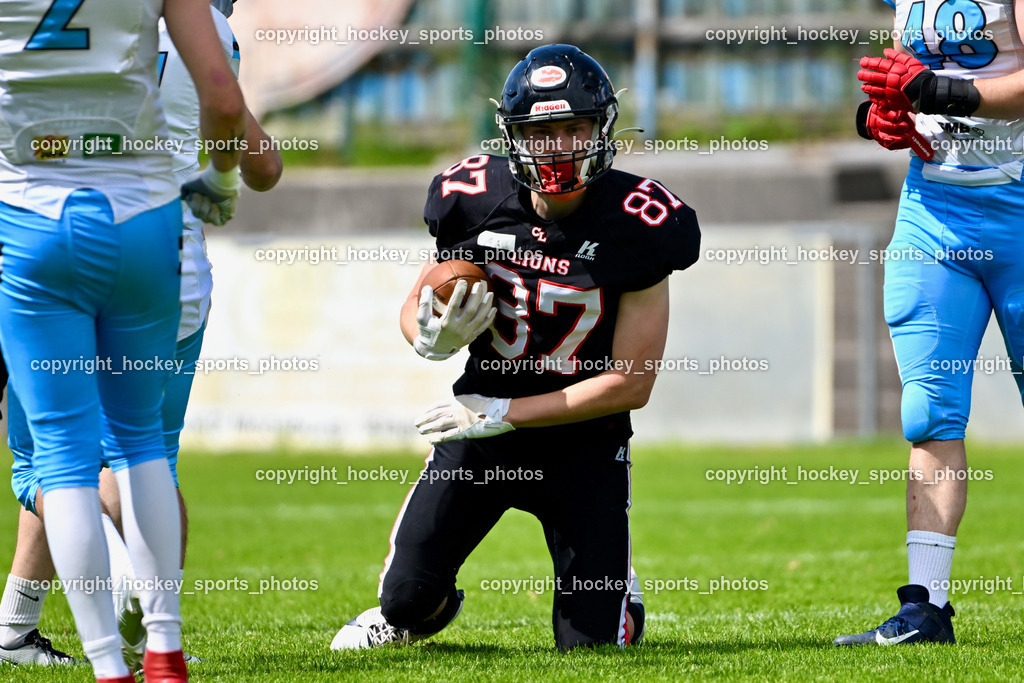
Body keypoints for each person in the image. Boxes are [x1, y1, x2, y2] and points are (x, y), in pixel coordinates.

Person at [331, 44, 700, 652]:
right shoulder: (472, 197)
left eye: (573, 129)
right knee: (404, 604)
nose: (557, 147)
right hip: (476, 435)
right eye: (540, 131)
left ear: (601, 129)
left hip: (583, 441)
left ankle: (618, 596)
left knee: (591, 647)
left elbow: (632, 382)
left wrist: (505, 414)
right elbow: (421, 298)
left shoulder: (640, 221)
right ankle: (415, 612)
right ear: (512, 136)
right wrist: (426, 335)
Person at [0, 0, 281, 670]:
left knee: (53, 463)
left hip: (34, 217)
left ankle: (108, 653)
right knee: (146, 452)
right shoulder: (207, 26)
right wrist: (221, 177)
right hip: (161, 245)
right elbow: (243, 133)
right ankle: (158, 643)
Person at [837, 0, 1024, 645]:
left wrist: (942, 91)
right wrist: (883, 116)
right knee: (928, 412)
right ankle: (926, 608)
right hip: (935, 206)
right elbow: (913, 80)